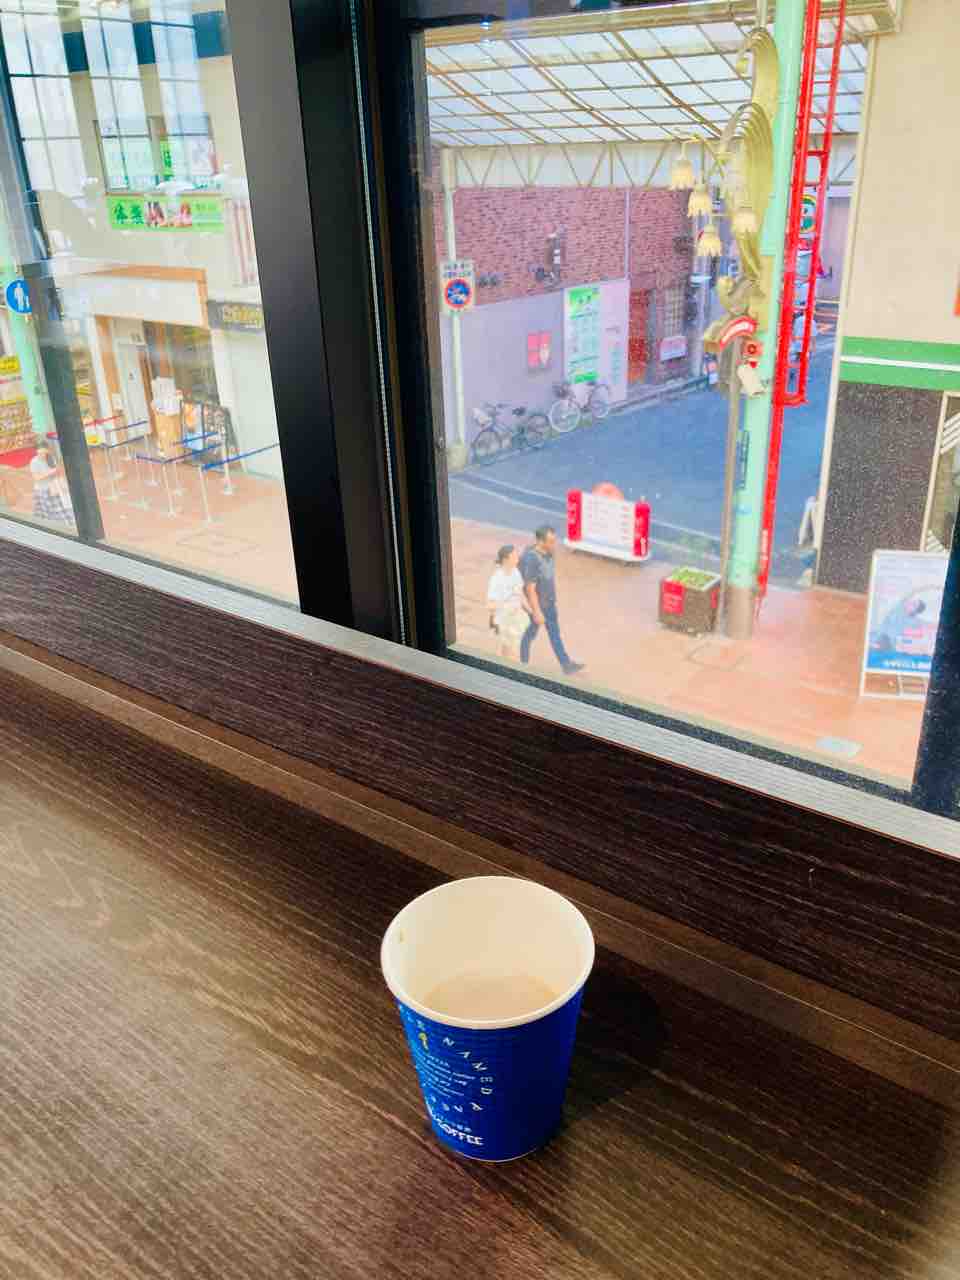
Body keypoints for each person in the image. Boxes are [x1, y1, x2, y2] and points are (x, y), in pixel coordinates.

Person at [519, 525, 584, 676]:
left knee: (554, 635)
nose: (554, 544)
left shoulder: (549, 552)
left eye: (554, 540)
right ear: (540, 541)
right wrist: (536, 612)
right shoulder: (532, 559)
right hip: (538, 606)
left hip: (549, 603)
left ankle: (566, 665)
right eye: (550, 541)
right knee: (529, 635)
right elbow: (530, 588)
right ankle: (522, 665)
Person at [486, 545, 528, 662]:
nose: (517, 558)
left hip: (516, 618)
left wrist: (531, 611)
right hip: (504, 620)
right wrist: (503, 607)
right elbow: (490, 605)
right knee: (512, 652)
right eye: (514, 556)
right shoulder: (497, 579)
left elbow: (519, 594)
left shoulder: (516, 573)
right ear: (505, 559)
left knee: (507, 650)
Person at [30, 445, 74, 527]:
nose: (42, 455)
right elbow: (36, 478)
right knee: (46, 513)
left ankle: (64, 525)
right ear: (37, 451)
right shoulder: (34, 462)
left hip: (54, 488)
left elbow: (57, 473)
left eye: (44, 452)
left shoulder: (51, 458)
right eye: (40, 453)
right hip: (43, 490)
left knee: (60, 510)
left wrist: (62, 484)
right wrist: (51, 472)